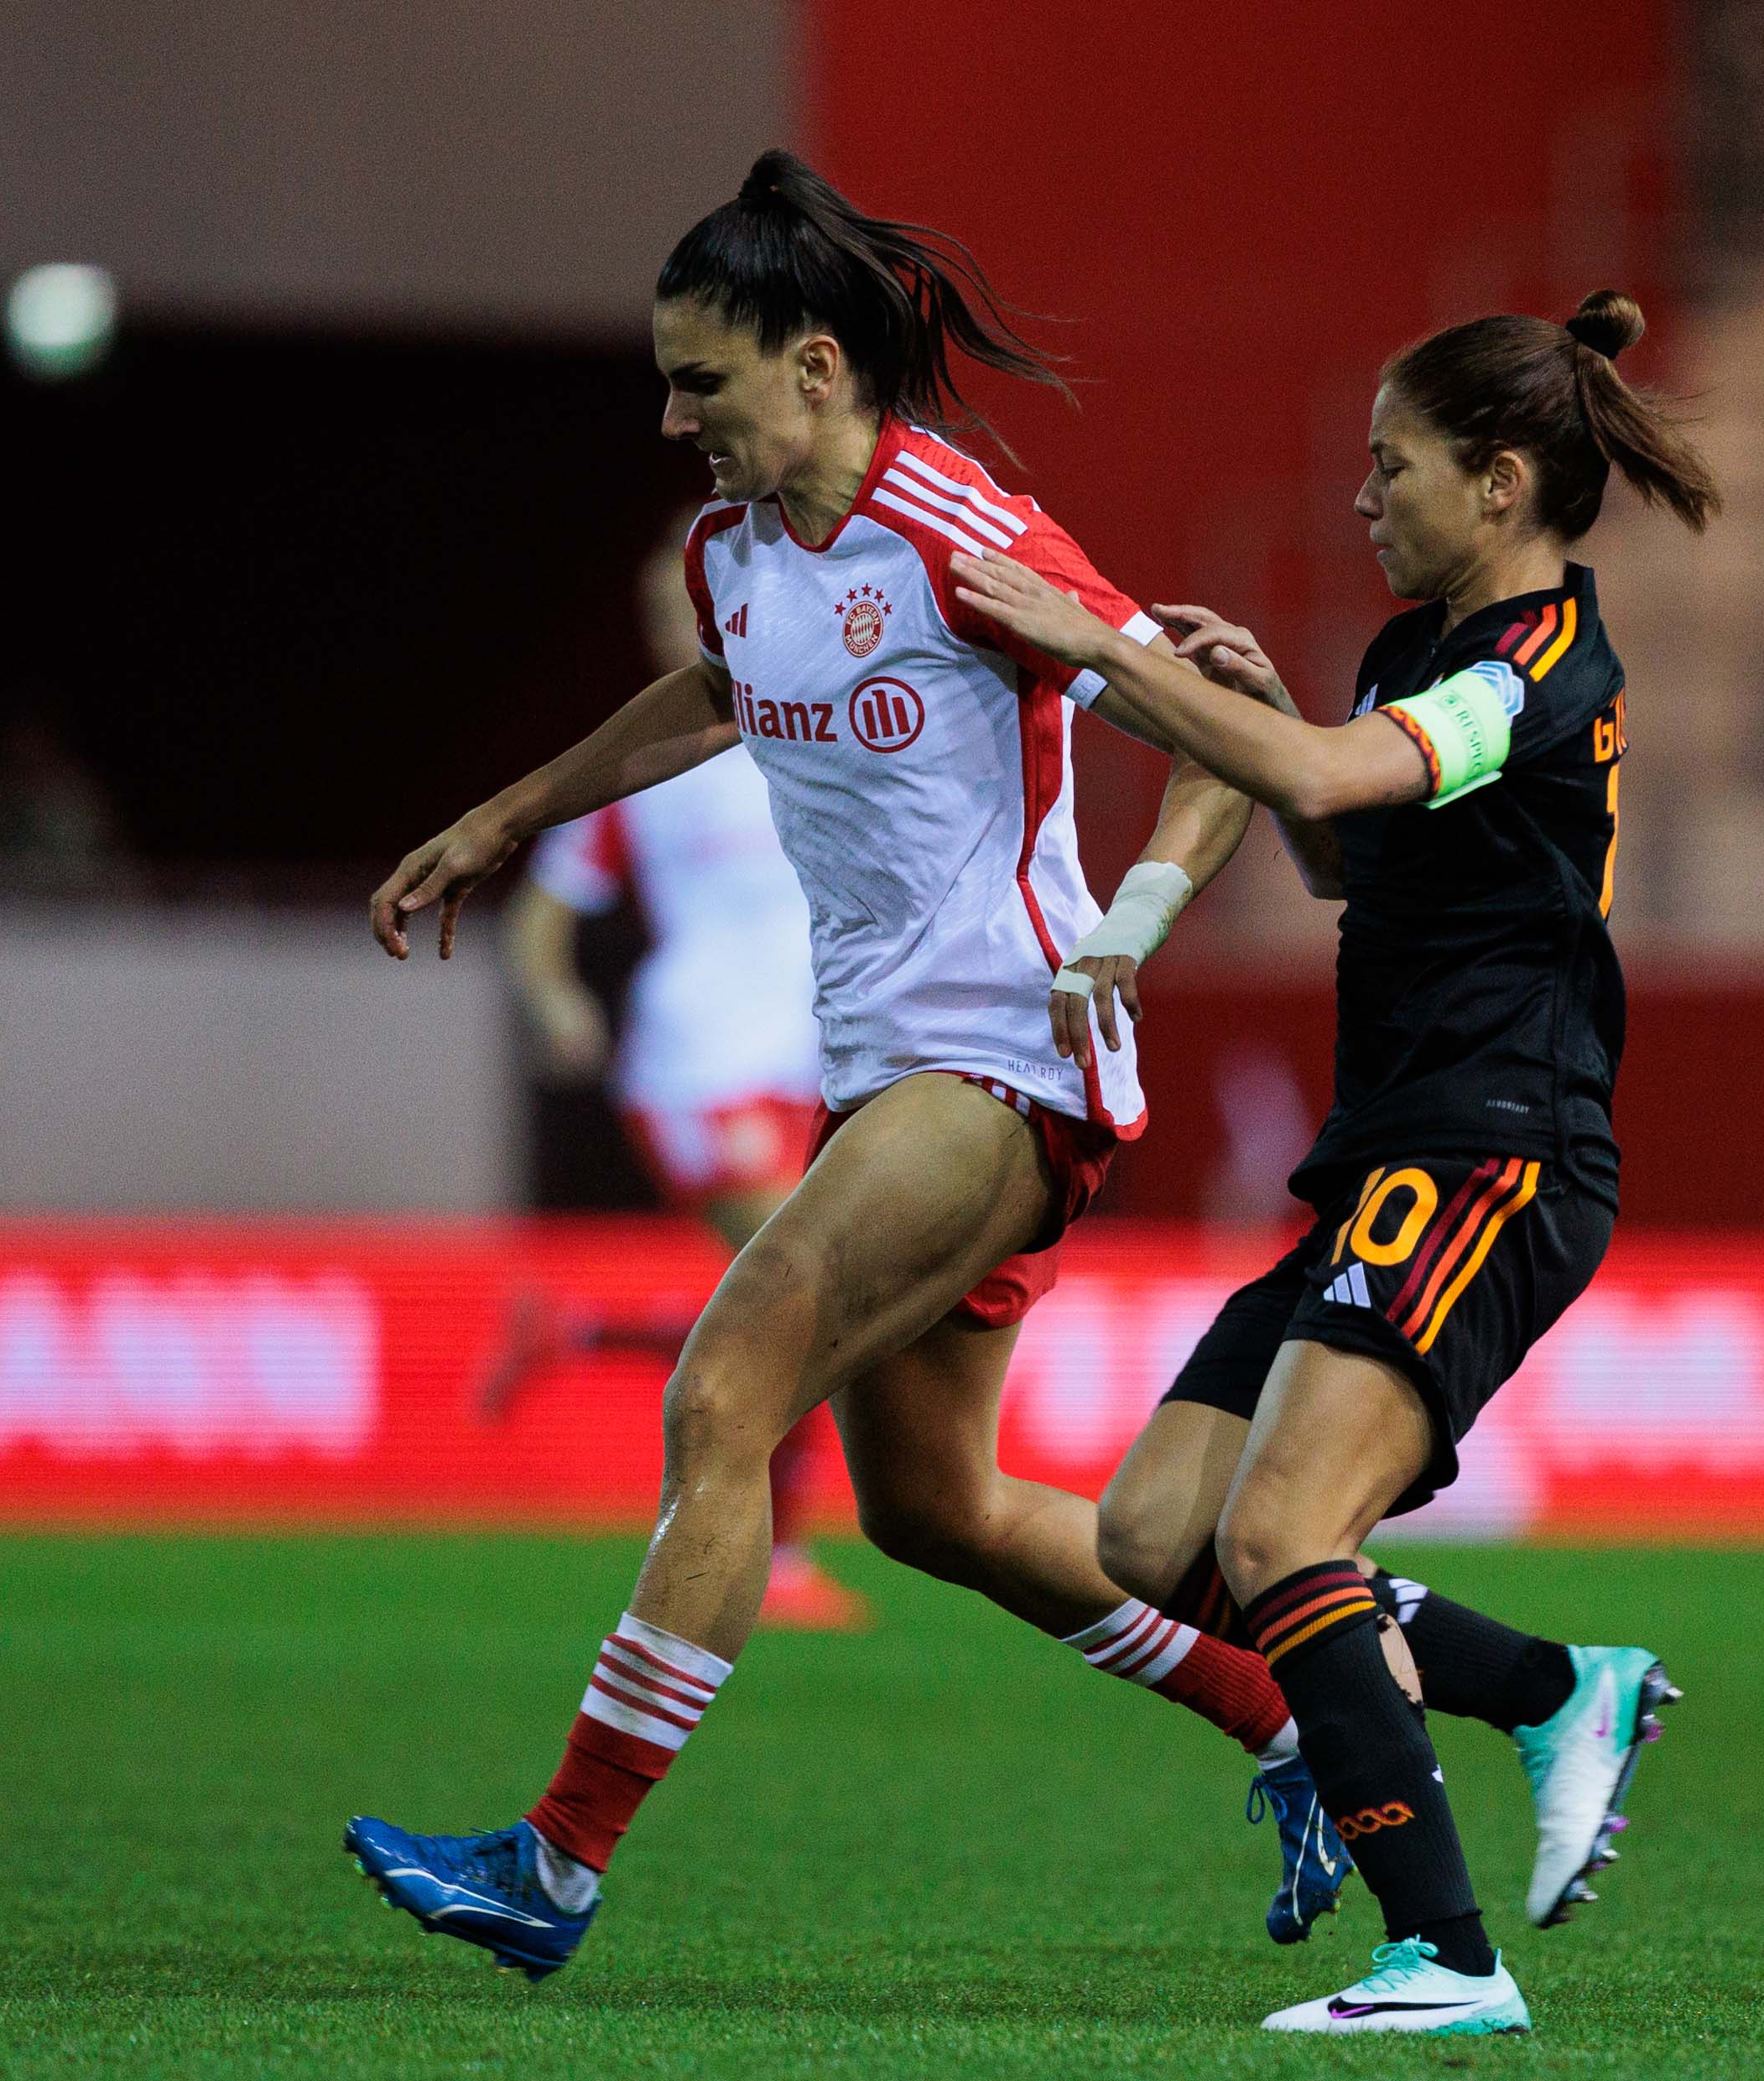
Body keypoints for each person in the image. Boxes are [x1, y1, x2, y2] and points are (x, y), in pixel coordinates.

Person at [346, 151, 1343, 1979]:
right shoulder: (738, 559)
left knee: (725, 1394)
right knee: (933, 1509)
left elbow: (1222, 729)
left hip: (1007, 1058)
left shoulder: (959, 531)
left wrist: (1127, 924)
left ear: (813, 366)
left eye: (699, 378)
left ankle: (553, 1863)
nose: (672, 416)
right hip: (885, 1064)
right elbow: (716, 694)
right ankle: (1301, 1725)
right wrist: (503, 816)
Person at [950, 289, 1720, 2036]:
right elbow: (1337, 851)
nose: (1363, 495)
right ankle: (1546, 1681)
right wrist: (1262, 711)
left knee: (1291, 1526)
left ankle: (1445, 1958)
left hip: (1490, 1146)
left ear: (1502, 481)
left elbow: (1309, 770)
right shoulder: (1415, 658)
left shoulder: (1533, 668)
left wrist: (1099, 645)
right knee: (1161, 1530)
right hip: (1391, 1145)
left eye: (1394, 465)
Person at [477, 517, 868, 1632]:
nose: (683, 627)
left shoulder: (821, 730)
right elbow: (541, 919)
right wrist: (553, 996)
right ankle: (778, 1559)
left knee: (802, 1298)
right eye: (664, 612)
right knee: (802, 1291)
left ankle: (580, 1331)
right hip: (698, 1061)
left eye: (695, 603)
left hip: (808, 1057)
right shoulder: (648, 765)